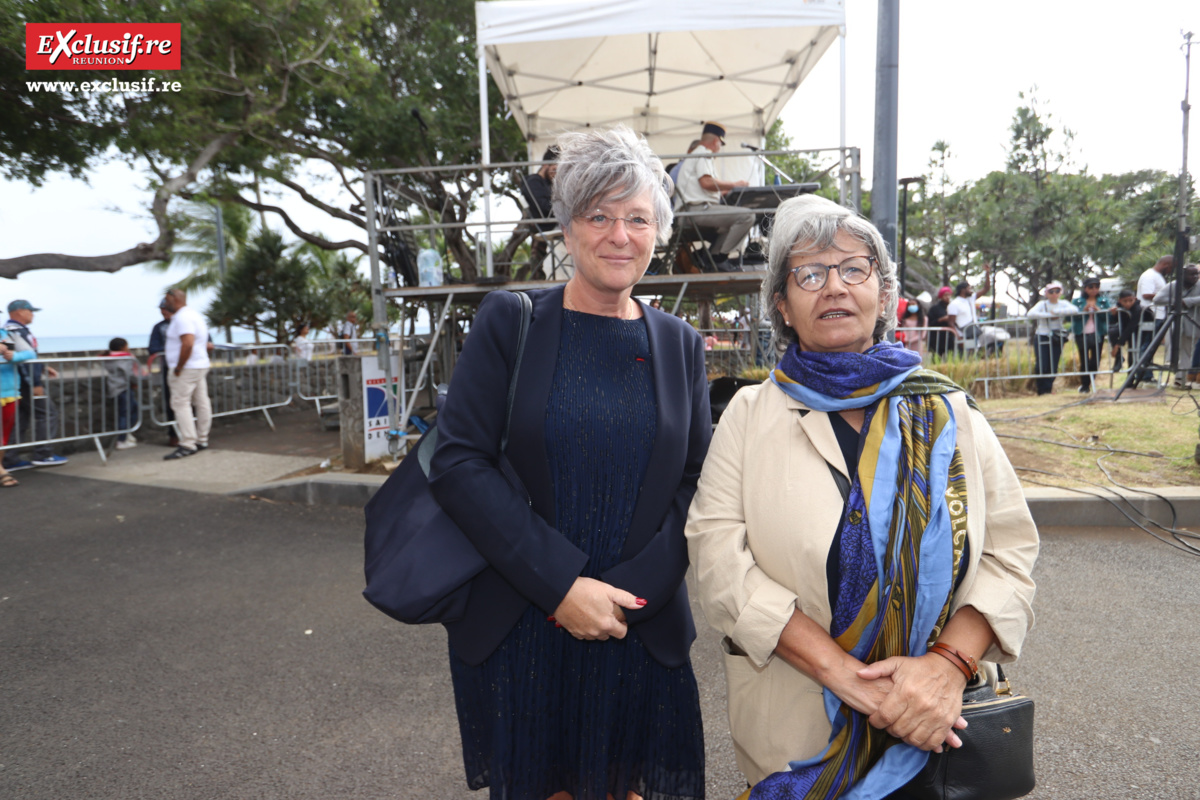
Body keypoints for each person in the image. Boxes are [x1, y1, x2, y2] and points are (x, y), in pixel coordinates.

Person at [684, 194, 1038, 797]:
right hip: (798, 731)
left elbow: (1011, 551)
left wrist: (945, 669)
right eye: (810, 274)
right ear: (783, 306)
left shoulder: (946, 410)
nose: (835, 287)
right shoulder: (748, 415)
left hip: (938, 724)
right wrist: (848, 678)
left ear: (882, 293)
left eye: (854, 269)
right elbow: (718, 563)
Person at [426, 125, 709, 800]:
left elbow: (698, 483)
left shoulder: (680, 344)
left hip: (640, 629)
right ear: (568, 228)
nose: (619, 235)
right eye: (599, 215)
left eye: (637, 218)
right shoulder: (510, 319)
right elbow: (458, 460)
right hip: (529, 626)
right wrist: (561, 586)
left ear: (659, 231)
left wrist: (627, 599)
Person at [674, 121, 756, 272]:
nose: (719, 148)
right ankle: (718, 259)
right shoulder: (704, 154)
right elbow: (706, 182)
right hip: (694, 212)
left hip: (691, 211)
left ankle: (707, 259)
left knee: (730, 224)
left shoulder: (696, 154)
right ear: (716, 141)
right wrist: (734, 185)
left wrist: (725, 191)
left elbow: (702, 188)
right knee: (747, 216)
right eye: (720, 144)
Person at [2, 299, 67, 470]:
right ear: (20, 312)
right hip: (25, 382)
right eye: (30, 311)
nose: (32, 315)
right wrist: (35, 382)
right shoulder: (14, 331)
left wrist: (43, 367)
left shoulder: (11, 330)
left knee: (21, 419)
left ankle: (10, 458)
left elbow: (20, 356)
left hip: (19, 382)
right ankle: (43, 454)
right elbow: (23, 356)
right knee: (47, 413)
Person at [162, 288, 212, 460]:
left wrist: (178, 367)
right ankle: (202, 439)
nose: (165, 303)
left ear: (174, 299)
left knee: (180, 403)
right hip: (199, 364)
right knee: (201, 401)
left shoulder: (182, 318)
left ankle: (188, 443)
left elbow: (188, 343)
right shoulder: (194, 315)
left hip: (187, 367)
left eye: (166, 300)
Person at [1025, 280, 1080, 395]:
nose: (1054, 293)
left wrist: (1057, 312)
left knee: (1053, 364)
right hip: (1042, 335)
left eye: (1057, 291)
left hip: (1057, 336)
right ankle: (1041, 389)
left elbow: (1075, 310)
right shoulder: (1042, 304)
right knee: (1042, 364)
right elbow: (1031, 313)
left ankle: (1048, 389)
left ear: (1061, 292)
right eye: (1051, 291)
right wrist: (1048, 315)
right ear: (1046, 293)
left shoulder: (1063, 303)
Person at [1152, 264, 1200, 386]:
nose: (1195, 276)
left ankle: (1186, 378)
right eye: (1192, 274)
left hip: (1194, 324)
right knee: (1176, 351)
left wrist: (1188, 302)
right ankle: (1180, 378)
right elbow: (1157, 300)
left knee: (1190, 351)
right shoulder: (1173, 285)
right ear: (1183, 275)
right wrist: (1176, 301)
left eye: (1197, 274)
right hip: (1176, 323)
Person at [0, 327, 36, 487]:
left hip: (9, 392)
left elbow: (30, 353)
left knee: (3, 435)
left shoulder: (9, 334)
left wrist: (13, 355)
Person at [1070, 277, 1112, 392]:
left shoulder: (1103, 301)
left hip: (1098, 333)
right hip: (1081, 333)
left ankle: (1091, 381)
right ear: (1085, 288)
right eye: (1090, 287)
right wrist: (1083, 311)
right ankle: (1084, 384)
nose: (1094, 290)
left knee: (1095, 360)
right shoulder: (1077, 301)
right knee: (1084, 360)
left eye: (1096, 287)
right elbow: (1070, 317)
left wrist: (1099, 310)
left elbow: (1109, 317)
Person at [148, 300, 179, 447]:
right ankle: (174, 434)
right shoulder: (159, 327)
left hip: (187, 366)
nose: (163, 312)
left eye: (165, 309)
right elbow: (152, 348)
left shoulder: (184, 322)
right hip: (168, 367)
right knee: (170, 402)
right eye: (162, 309)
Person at [103, 338, 144, 450]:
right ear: (122, 347)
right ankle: (122, 439)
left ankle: (127, 433)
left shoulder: (108, 358)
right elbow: (129, 373)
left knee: (131, 410)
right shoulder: (125, 358)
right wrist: (138, 380)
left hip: (114, 388)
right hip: (123, 388)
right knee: (125, 414)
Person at [1108, 289, 1154, 378]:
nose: (1128, 303)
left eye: (1130, 301)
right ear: (1120, 301)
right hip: (1128, 329)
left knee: (1133, 353)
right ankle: (1119, 359)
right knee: (1113, 332)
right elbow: (1119, 322)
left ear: (1135, 299)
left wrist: (1118, 344)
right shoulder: (1119, 307)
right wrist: (1114, 314)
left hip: (1140, 331)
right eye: (1124, 301)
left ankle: (1132, 378)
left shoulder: (1138, 309)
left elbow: (1131, 326)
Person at [946, 270, 990, 348]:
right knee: (966, 354)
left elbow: (986, 288)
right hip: (963, 334)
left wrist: (987, 273)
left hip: (974, 331)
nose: (971, 291)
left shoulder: (971, 299)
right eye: (969, 289)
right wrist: (958, 336)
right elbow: (951, 323)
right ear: (963, 290)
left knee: (974, 354)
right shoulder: (954, 304)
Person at [926, 286, 955, 359]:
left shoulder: (953, 306)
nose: (948, 297)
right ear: (941, 296)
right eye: (945, 295)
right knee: (936, 359)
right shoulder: (934, 308)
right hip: (937, 339)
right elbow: (930, 323)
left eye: (949, 295)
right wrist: (941, 319)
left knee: (950, 359)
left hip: (950, 338)